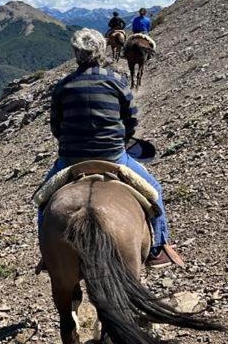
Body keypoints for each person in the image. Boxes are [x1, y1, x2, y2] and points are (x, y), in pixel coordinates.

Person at [38, 28, 182, 267]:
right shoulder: (117, 81)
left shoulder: (63, 87)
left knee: (43, 203)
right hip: (113, 155)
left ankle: (48, 254)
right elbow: (132, 120)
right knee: (155, 191)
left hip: (71, 159)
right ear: (102, 49)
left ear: (76, 53)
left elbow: (56, 127)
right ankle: (157, 249)